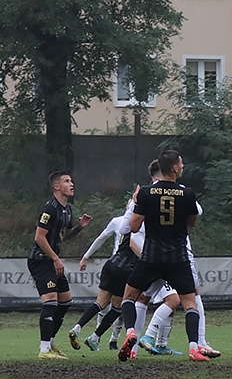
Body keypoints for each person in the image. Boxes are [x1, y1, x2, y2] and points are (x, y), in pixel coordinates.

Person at [117, 150, 207, 362]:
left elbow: (134, 226)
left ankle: (131, 333)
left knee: (129, 297)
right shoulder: (188, 193)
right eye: (181, 163)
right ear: (175, 168)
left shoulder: (147, 193)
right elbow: (191, 222)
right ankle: (194, 348)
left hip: (151, 256)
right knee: (190, 303)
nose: (183, 167)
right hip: (177, 257)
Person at [28, 171, 92, 359]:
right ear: (56, 187)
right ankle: (44, 350)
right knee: (50, 301)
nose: (71, 184)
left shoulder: (67, 209)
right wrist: (56, 259)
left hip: (51, 259)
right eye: (66, 181)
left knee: (65, 302)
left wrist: (79, 227)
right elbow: (39, 237)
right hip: (40, 260)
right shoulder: (51, 209)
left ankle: (51, 342)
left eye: (71, 180)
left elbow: (64, 236)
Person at [68, 190, 139, 351]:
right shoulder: (142, 225)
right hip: (126, 268)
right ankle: (96, 337)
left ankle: (77, 328)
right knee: (118, 308)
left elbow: (100, 238)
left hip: (111, 263)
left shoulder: (121, 221)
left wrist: (85, 256)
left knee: (100, 303)